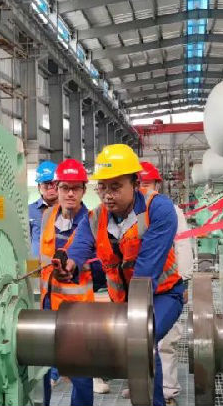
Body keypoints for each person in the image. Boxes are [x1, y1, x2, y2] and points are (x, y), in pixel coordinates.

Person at [58, 144, 184, 406]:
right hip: (123, 303)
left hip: (163, 296)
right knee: (88, 343)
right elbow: (79, 246)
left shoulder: (158, 210)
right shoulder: (96, 218)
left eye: (115, 187)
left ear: (135, 183)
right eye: (102, 187)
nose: (107, 195)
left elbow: (146, 271)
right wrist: (68, 264)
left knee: (143, 338)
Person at [40, 159, 94, 406]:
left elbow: (100, 266)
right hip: (48, 303)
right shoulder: (47, 216)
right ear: (57, 188)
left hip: (78, 309)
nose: (70, 193)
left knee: (81, 371)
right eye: (64, 187)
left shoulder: (92, 221)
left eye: (75, 188)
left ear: (83, 190)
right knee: (42, 367)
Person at [139, 161, 194, 406]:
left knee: (166, 342)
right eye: (139, 183)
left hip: (167, 285)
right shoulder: (131, 213)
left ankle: (168, 391)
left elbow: (183, 246)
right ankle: (142, 384)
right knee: (141, 340)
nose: (143, 187)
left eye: (147, 183)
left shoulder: (169, 210)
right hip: (142, 287)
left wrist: (185, 280)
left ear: (157, 185)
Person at [29, 161, 58, 260]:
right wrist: (31, 267)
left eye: (53, 183)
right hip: (35, 265)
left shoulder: (68, 211)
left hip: (60, 265)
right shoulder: (29, 211)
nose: (50, 187)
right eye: (46, 184)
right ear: (39, 187)